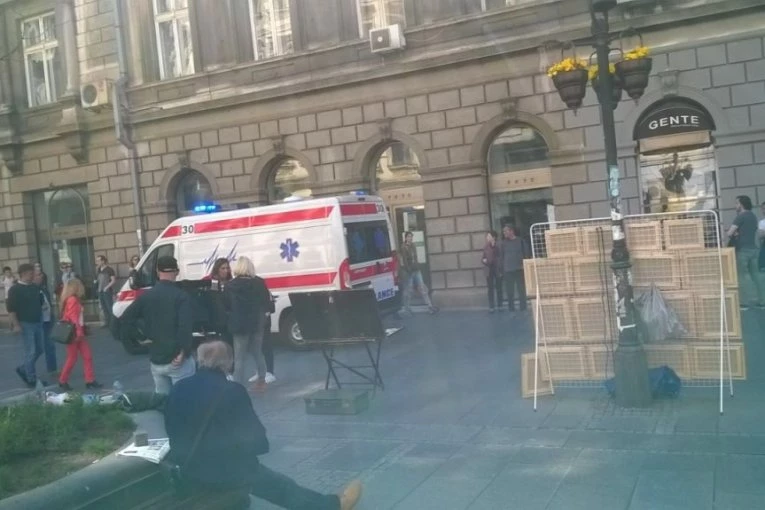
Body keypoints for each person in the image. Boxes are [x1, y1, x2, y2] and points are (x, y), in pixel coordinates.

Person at [164, 340, 362, 510]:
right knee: (278, 485)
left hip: (189, 468)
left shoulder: (179, 387)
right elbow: (255, 439)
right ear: (229, 362)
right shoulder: (231, 390)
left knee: (262, 479)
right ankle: (332, 506)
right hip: (224, 470)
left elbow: (172, 428)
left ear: (199, 360)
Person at [120, 255, 195, 394]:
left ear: (157, 271)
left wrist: (141, 337)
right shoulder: (181, 296)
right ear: (177, 272)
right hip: (177, 358)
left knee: (161, 400)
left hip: (156, 357)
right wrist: (184, 350)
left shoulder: (146, 296)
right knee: (184, 399)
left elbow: (125, 319)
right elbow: (184, 327)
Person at [224, 256, 270, 392]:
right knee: (258, 352)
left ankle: (238, 386)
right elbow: (266, 302)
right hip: (256, 323)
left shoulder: (230, 285)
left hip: (239, 324)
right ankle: (262, 381)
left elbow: (226, 305)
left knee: (239, 357)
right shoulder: (259, 283)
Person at [7, 263, 46, 387]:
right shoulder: (14, 289)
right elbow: (11, 309)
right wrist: (16, 324)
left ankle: (24, 368)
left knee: (39, 349)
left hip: (38, 321)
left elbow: (41, 302)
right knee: (31, 351)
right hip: (25, 323)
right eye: (31, 273)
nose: (33, 275)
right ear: (23, 274)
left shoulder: (34, 287)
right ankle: (31, 378)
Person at [58, 278, 101, 391]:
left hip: (76, 330)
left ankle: (89, 380)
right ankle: (63, 380)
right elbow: (73, 317)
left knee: (85, 356)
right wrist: (79, 331)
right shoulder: (72, 300)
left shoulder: (72, 299)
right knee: (73, 357)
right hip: (75, 332)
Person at [727, 195, 764, 310]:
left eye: (737, 203)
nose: (735, 206)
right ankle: (762, 301)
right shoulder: (753, 216)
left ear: (741, 204)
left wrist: (736, 233)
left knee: (742, 276)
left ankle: (743, 303)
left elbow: (729, 233)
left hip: (742, 249)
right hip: (754, 249)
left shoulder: (740, 216)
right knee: (756, 275)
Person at [399, 231, 438, 315]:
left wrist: (417, 265)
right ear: (406, 238)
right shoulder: (403, 247)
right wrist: (408, 270)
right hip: (409, 271)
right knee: (409, 290)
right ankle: (407, 308)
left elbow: (415, 257)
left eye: (411, 237)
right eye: (409, 236)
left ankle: (430, 306)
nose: (410, 238)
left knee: (422, 287)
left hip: (416, 269)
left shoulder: (413, 245)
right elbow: (405, 260)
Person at [34, 270, 57, 378]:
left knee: (50, 345)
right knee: (38, 348)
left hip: (48, 319)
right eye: (38, 275)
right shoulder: (32, 290)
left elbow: (48, 303)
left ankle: (52, 368)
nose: (41, 277)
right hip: (39, 321)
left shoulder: (44, 289)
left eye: (41, 275)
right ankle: (26, 367)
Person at [500, 225, 528, 313]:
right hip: (508, 270)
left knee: (521, 290)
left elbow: (526, 253)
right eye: (503, 231)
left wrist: (525, 265)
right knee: (509, 290)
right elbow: (501, 256)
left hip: (519, 268)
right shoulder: (503, 243)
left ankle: (523, 307)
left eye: (506, 231)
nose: (504, 233)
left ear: (511, 231)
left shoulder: (520, 241)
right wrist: (502, 269)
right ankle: (511, 308)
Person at [482, 230, 503, 313]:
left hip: (497, 269)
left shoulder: (499, 245)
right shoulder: (486, 246)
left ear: (493, 237)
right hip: (489, 269)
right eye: (487, 236)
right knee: (490, 289)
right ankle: (491, 306)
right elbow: (483, 257)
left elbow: (500, 256)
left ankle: (500, 305)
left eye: (489, 236)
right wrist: (484, 260)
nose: (487, 238)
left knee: (499, 288)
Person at [95, 255, 117, 328]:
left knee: (109, 307)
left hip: (106, 291)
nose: (97, 262)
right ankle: (107, 322)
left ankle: (113, 323)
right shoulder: (98, 269)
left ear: (103, 261)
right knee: (103, 307)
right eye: (97, 261)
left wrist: (107, 287)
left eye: (98, 260)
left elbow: (113, 280)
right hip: (100, 290)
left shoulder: (109, 269)